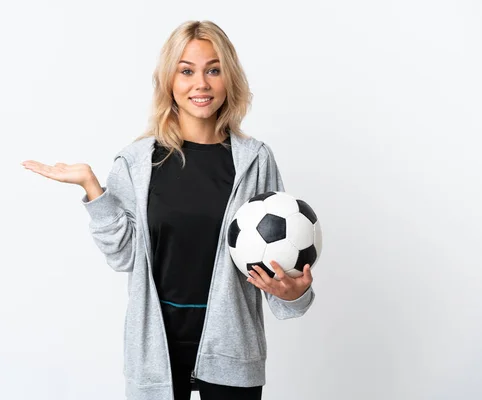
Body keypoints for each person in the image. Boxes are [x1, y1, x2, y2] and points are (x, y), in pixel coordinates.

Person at [22, 20, 315, 400]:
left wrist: (293, 293)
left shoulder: (255, 160)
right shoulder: (136, 163)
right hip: (156, 349)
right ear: (168, 81)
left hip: (232, 346)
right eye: (187, 71)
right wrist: (94, 190)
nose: (201, 84)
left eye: (214, 70)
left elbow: (273, 254)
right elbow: (125, 256)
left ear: (230, 78)